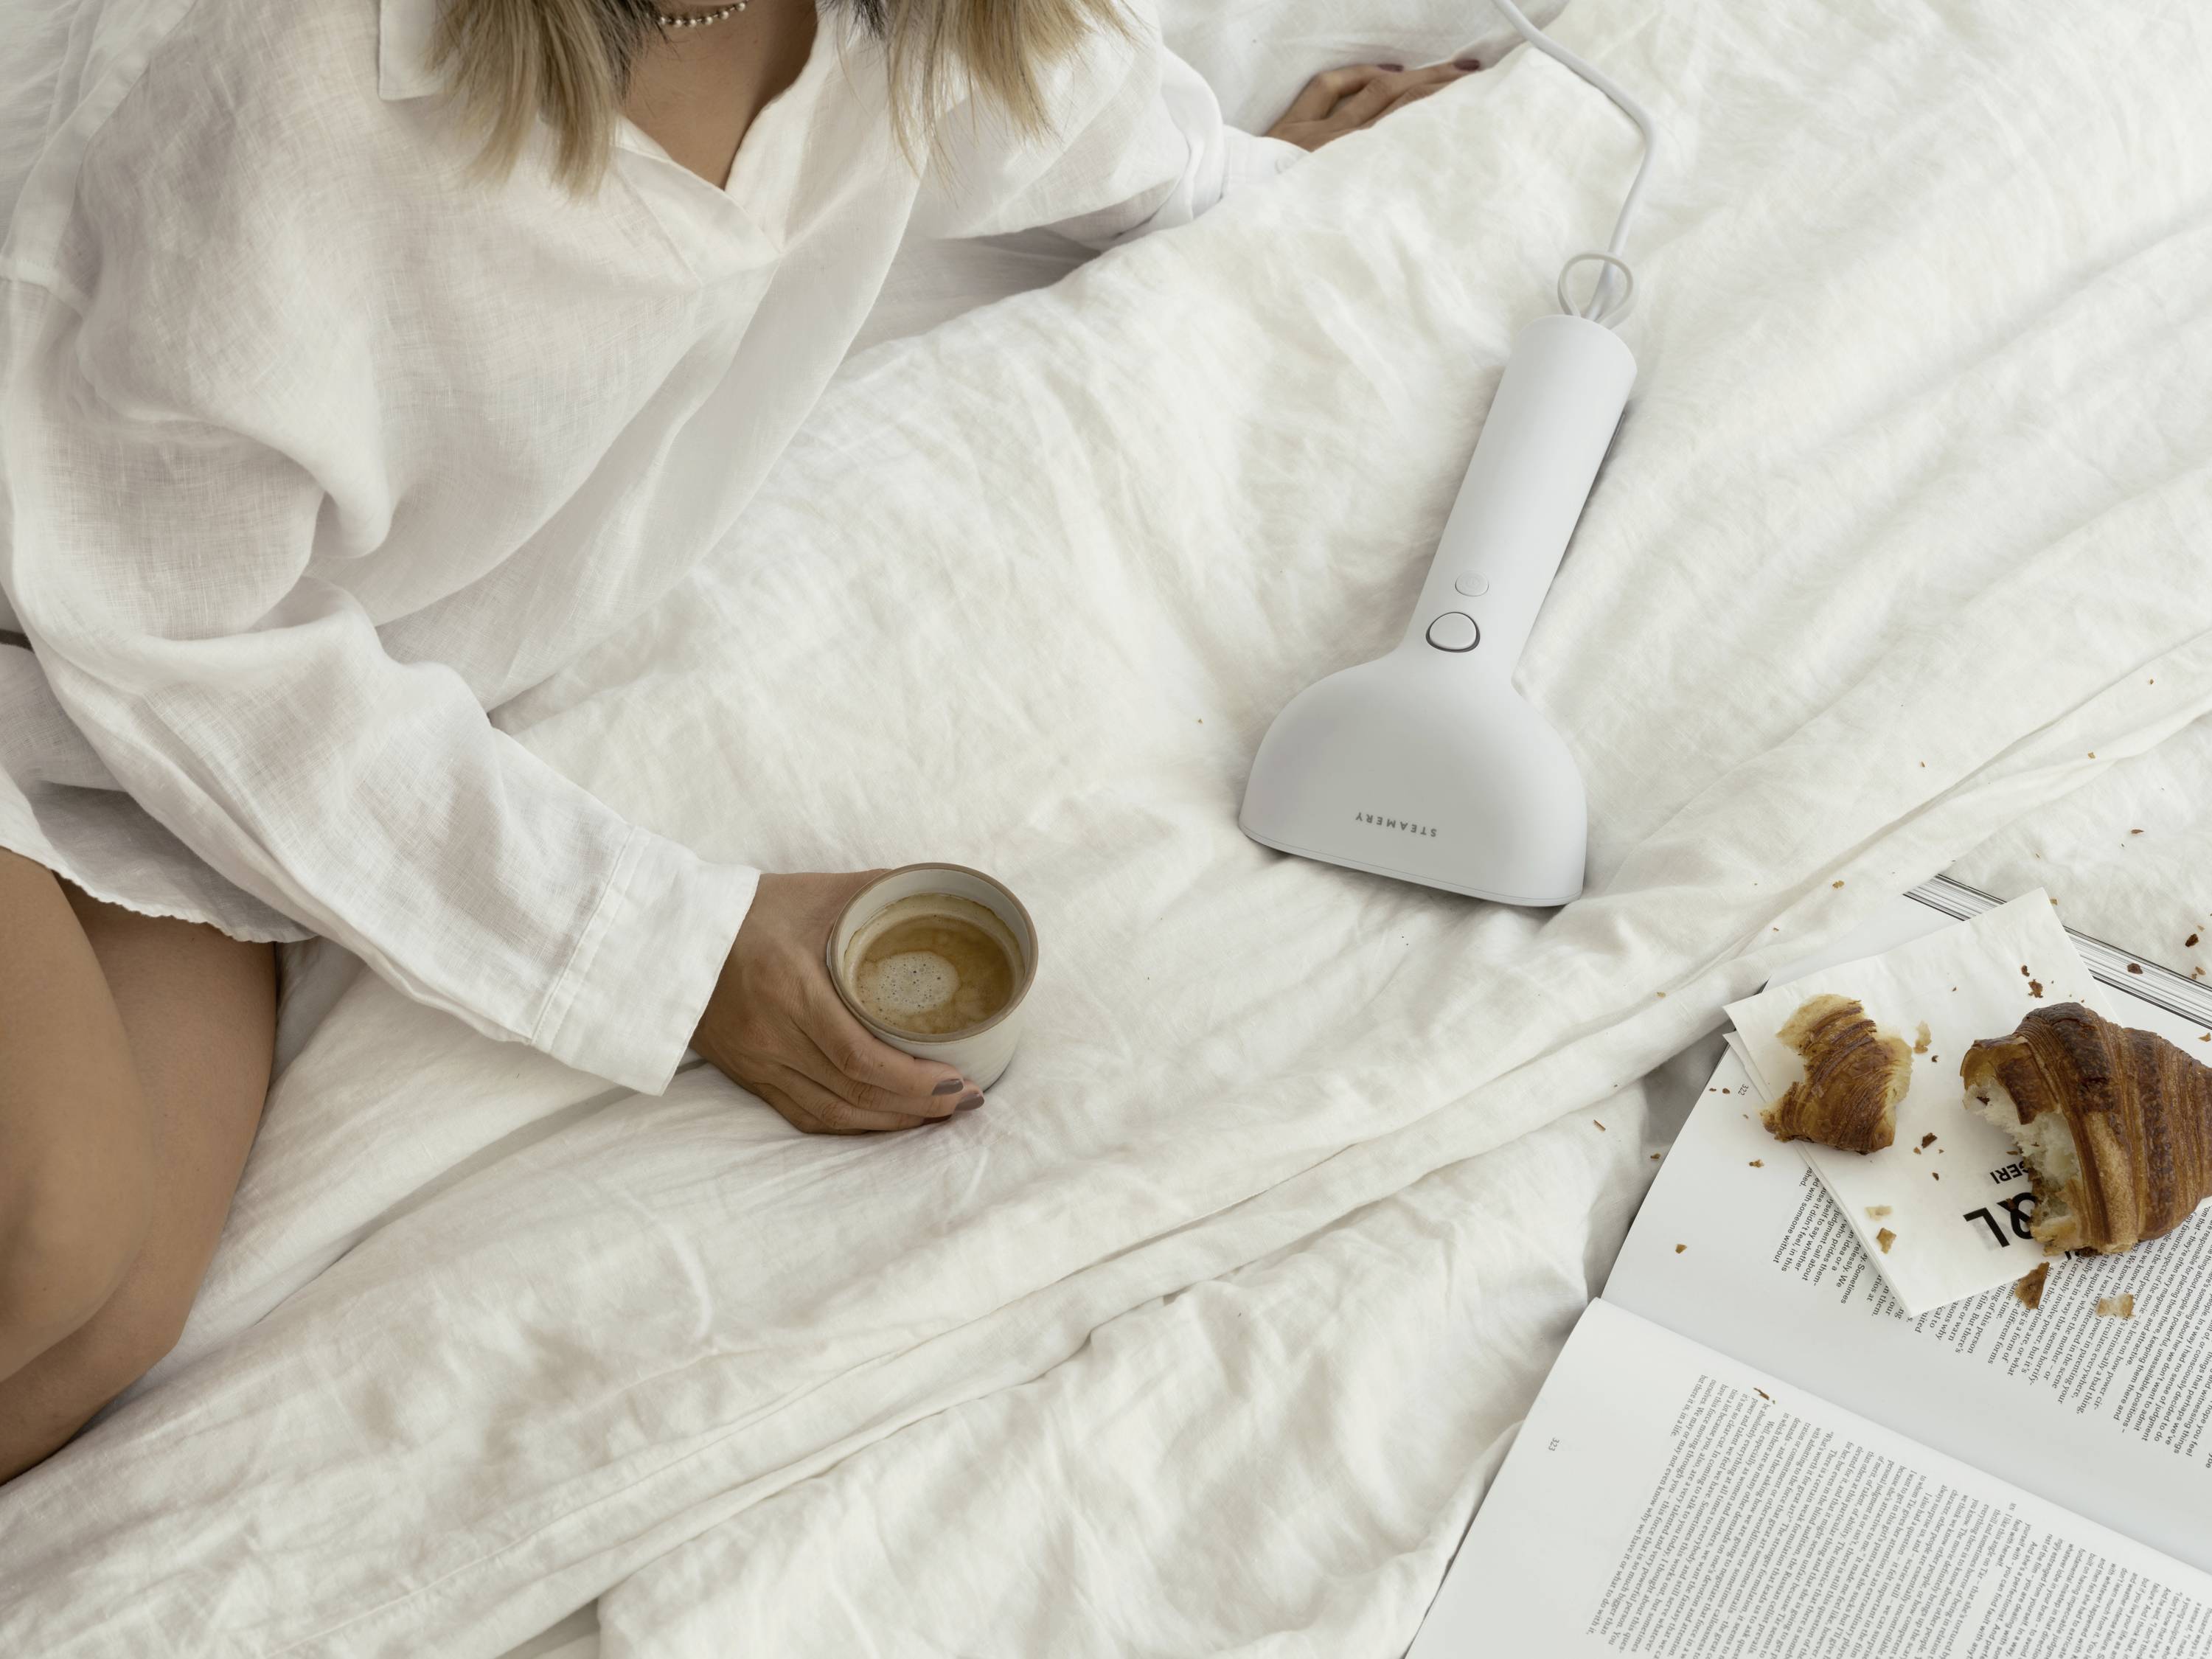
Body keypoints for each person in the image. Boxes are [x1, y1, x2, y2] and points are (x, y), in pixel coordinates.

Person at [0, 0, 1475, 1478]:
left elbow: (1044, 101)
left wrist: (1245, 178)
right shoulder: (307, 80)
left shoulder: (897, 33)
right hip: (103, 607)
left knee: (97, 1326)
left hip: (162, 744)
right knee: (51, 1230)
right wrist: (672, 952)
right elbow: (163, 607)